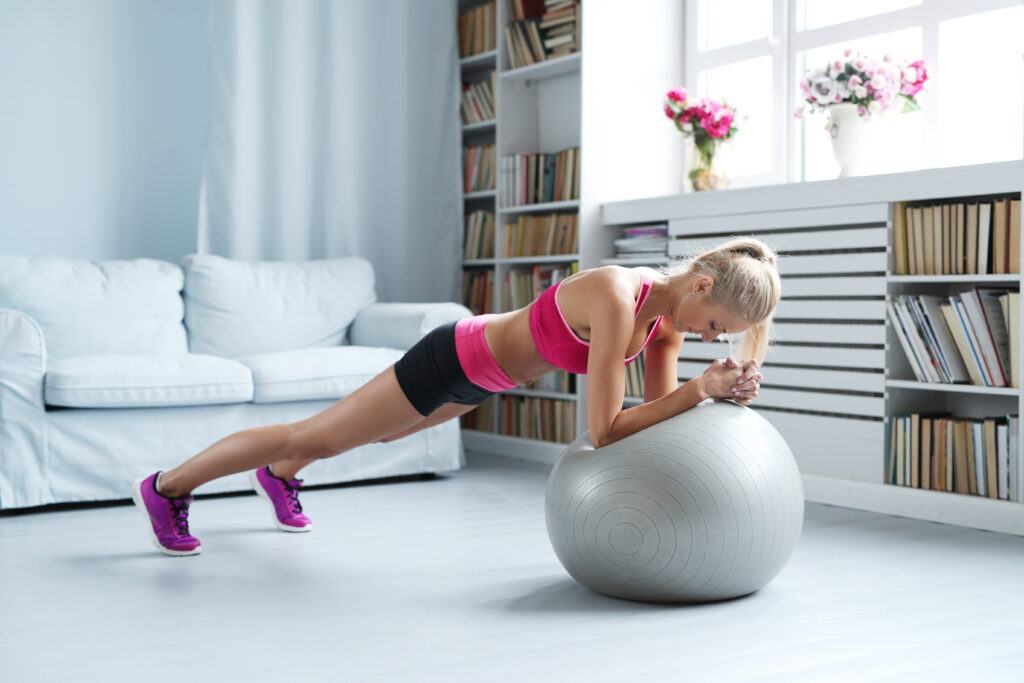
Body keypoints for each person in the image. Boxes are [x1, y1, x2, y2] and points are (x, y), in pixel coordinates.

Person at [133, 237, 781, 556]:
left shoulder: (664, 327)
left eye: (723, 337)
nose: (710, 338)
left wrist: (721, 396)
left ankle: (280, 476)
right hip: (454, 355)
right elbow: (609, 429)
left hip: (484, 381)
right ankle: (167, 486)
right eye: (718, 324)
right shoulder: (619, 295)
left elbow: (652, 424)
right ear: (699, 285)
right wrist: (701, 387)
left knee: (377, 435)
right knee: (317, 434)